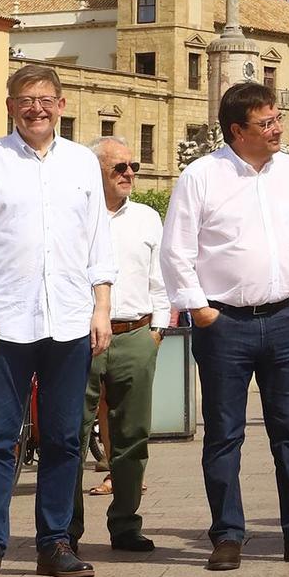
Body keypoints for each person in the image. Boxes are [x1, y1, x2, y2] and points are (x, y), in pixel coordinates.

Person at [0, 66, 115, 577]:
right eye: (26, 100)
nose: (36, 109)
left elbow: (97, 240)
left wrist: (102, 306)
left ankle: (55, 543)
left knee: (66, 437)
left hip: (68, 318)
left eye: (45, 100)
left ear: (62, 105)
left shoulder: (83, 165)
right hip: (1, 321)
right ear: (10, 106)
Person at [160, 81, 289, 572]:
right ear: (237, 130)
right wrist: (200, 309)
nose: (277, 129)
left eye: (278, 119)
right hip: (224, 323)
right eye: (267, 123)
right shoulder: (201, 176)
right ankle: (228, 535)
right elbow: (177, 249)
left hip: (283, 318)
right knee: (224, 434)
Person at [68, 138, 167, 554]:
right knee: (69, 435)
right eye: (119, 168)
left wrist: (157, 330)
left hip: (134, 334)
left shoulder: (146, 218)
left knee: (132, 436)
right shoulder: (72, 217)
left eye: (134, 166)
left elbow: (160, 278)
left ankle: (126, 524)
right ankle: (65, 530)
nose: (129, 174)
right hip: (79, 340)